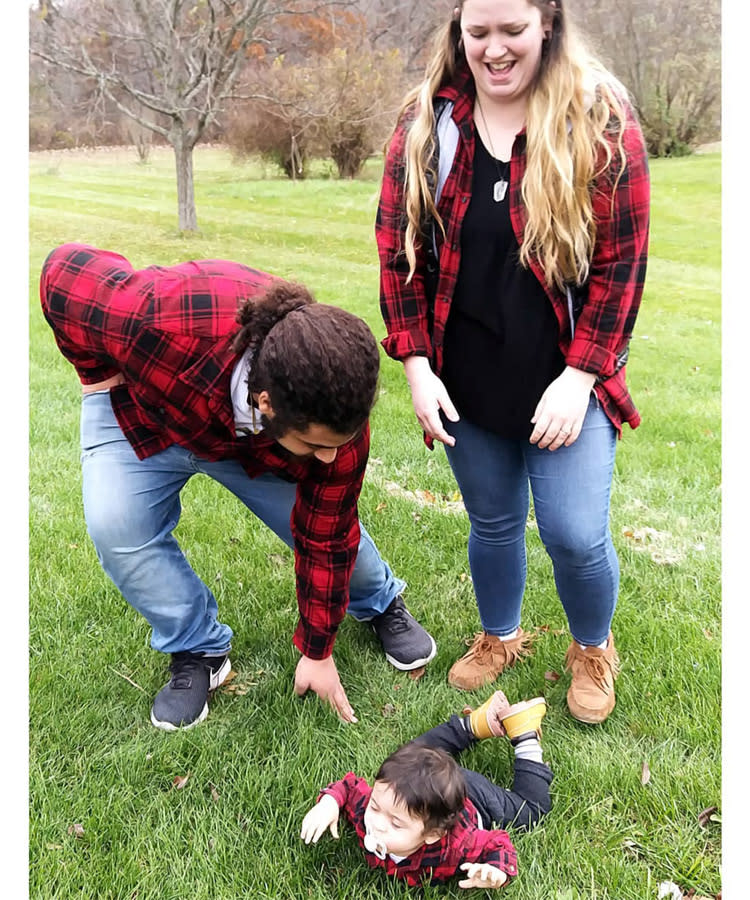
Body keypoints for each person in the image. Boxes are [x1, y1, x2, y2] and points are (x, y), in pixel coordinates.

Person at [375, 0, 650, 724]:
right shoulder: (428, 124)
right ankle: (499, 635)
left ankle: (592, 647)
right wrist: (417, 366)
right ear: (458, 30)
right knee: (492, 522)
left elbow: (621, 266)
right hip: (465, 376)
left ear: (547, 24)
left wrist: (581, 377)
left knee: (575, 533)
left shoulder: (599, 118)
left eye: (512, 31)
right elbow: (398, 252)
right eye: (478, 33)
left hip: (566, 377)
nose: (494, 49)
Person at [39, 242, 437, 731]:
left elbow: (327, 538)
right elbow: (63, 272)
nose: (331, 458)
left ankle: (380, 602)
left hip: (254, 441)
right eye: (317, 445)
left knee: (336, 540)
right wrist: (96, 373)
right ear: (267, 402)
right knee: (116, 525)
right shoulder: (157, 321)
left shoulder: (334, 418)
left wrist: (317, 651)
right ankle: (198, 649)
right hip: (150, 411)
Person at [300, 689, 551, 888]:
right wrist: (330, 803)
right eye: (375, 808)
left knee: (531, 812)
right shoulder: (376, 807)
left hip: (475, 797)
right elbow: (349, 787)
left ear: (433, 834)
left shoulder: (457, 847)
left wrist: (496, 870)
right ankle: (474, 724)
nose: (377, 824)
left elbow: (498, 844)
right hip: (422, 786)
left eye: (396, 823)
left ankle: (524, 733)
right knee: (411, 754)